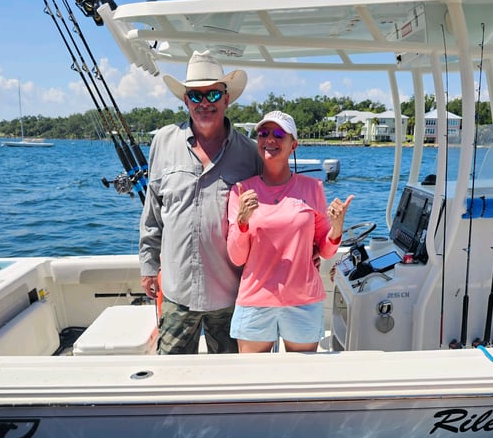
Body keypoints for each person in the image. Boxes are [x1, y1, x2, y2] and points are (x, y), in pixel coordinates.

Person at [139, 50, 261, 354]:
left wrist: (308, 249)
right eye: (196, 95)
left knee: (234, 384)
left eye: (213, 94)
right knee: (171, 380)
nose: (205, 103)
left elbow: (272, 214)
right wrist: (148, 263)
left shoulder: (251, 153)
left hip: (232, 295)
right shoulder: (162, 142)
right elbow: (153, 212)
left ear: (226, 98)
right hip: (177, 292)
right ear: (185, 100)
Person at [226, 110, 354, 353]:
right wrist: (242, 222)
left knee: (301, 380)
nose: (270, 139)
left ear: (293, 144)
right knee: (254, 381)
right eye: (264, 133)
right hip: (255, 301)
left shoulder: (312, 187)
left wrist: (337, 227)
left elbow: (326, 250)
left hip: (303, 301)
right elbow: (237, 257)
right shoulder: (241, 191)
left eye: (279, 134)